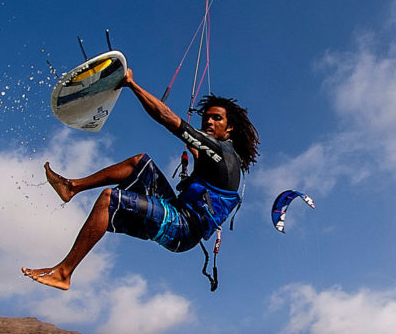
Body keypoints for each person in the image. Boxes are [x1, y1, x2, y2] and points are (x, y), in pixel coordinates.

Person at [23, 68, 258, 291]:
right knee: (139, 163)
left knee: (109, 199)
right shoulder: (221, 156)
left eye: (216, 119)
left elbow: (166, 117)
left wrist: (131, 85)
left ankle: (64, 273)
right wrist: (196, 154)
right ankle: (71, 187)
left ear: (229, 130)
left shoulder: (222, 152)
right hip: (179, 211)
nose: (208, 122)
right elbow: (210, 179)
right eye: (206, 117)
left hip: (183, 230)